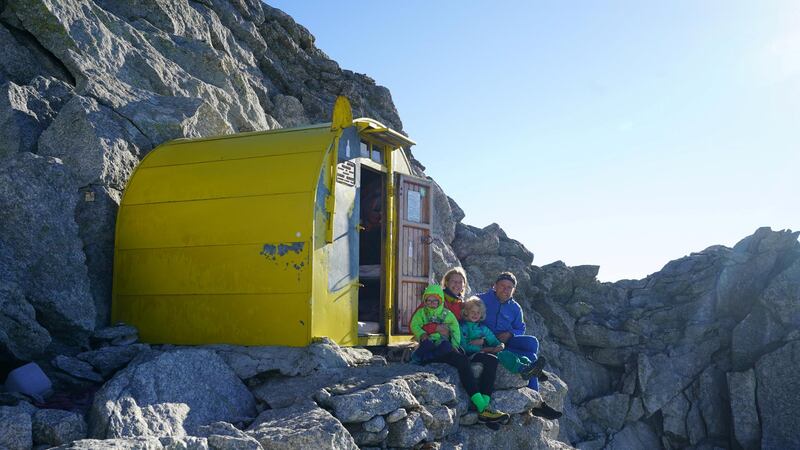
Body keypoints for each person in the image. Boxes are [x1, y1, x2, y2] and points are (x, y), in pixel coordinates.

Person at [409, 284, 509, 424]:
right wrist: (426, 332)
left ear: (440, 300)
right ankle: (483, 408)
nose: (432, 303)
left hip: (446, 346)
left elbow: (454, 330)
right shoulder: (422, 311)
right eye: (429, 300)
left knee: (482, 360)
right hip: (430, 345)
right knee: (459, 358)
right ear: (425, 300)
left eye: (435, 301)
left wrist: (455, 346)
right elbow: (414, 325)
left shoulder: (448, 312)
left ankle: (484, 407)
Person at [479, 271, 563, 420]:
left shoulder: (515, 308)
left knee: (532, 344)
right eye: (502, 286)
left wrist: (510, 334)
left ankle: (533, 380)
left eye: (509, 288)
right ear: (495, 286)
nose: (505, 290)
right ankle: (539, 404)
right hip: (488, 341)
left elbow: (520, 328)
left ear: (514, 290)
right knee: (531, 357)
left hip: (507, 341)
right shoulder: (481, 299)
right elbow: (469, 317)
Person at [460, 297, 545, 381]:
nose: (475, 315)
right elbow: (465, 347)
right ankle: (522, 369)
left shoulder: (483, 328)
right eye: (473, 312)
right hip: (474, 354)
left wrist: (501, 345)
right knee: (503, 355)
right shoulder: (463, 327)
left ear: (481, 314)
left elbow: (494, 341)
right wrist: (488, 349)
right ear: (466, 312)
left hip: (488, 351)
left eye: (478, 312)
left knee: (511, 354)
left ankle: (533, 369)